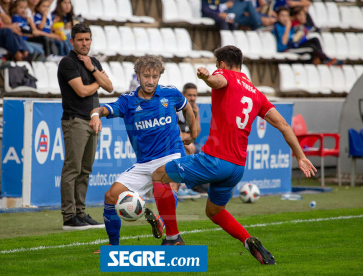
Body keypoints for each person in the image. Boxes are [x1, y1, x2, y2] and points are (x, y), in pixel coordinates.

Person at [150, 45, 317, 264]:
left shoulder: (222, 74)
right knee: (214, 211)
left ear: (222, 64)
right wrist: (300, 156)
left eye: (216, 66)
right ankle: (249, 241)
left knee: (158, 175)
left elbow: (219, 82)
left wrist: (208, 78)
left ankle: (173, 238)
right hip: (236, 168)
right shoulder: (256, 93)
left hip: (214, 160)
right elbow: (284, 125)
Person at [88, 54, 198, 251]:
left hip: (172, 154)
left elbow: (187, 108)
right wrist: (95, 115)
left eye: (155, 76)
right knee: (110, 197)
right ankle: (114, 246)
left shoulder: (170, 93)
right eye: (146, 76)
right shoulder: (128, 101)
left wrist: (194, 133)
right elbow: (104, 108)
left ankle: (173, 236)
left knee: (163, 186)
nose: (151, 81)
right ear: (137, 75)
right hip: (145, 162)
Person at [57, 23, 113, 230]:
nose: (84, 43)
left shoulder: (94, 61)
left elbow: (110, 86)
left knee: (85, 170)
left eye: (87, 39)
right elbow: (81, 91)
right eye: (80, 40)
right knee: (72, 168)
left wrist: (92, 69)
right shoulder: (67, 63)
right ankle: (69, 216)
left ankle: (80, 213)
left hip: (92, 120)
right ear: (72, 41)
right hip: (75, 120)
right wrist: (98, 79)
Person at [273, 7, 342, 65]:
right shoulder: (277, 27)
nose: (285, 18)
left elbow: (295, 39)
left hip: (294, 45)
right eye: (282, 16)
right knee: (311, 48)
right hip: (286, 49)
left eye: (286, 16)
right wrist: (288, 28)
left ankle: (325, 59)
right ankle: (325, 59)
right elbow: (284, 43)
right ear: (278, 17)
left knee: (314, 40)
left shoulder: (290, 26)